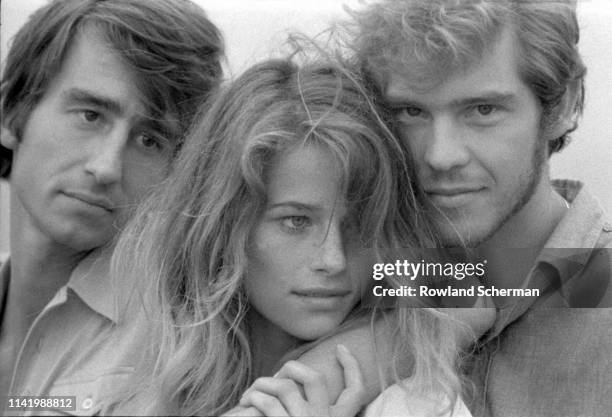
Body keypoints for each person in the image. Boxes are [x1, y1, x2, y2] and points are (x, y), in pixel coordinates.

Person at [110, 55, 478, 416]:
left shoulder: (414, 403)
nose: (332, 260)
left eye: (360, 223)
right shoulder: (148, 375)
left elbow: (493, 286)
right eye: (296, 222)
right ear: (223, 228)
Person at [350, 0, 612, 416]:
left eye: (482, 110)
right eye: (411, 112)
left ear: (562, 105)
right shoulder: (352, 284)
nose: (440, 156)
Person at [0, 0, 223, 413]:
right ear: (13, 113)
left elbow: (380, 297)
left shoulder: (185, 340)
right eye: (91, 115)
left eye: (149, 140)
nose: (106, 167)